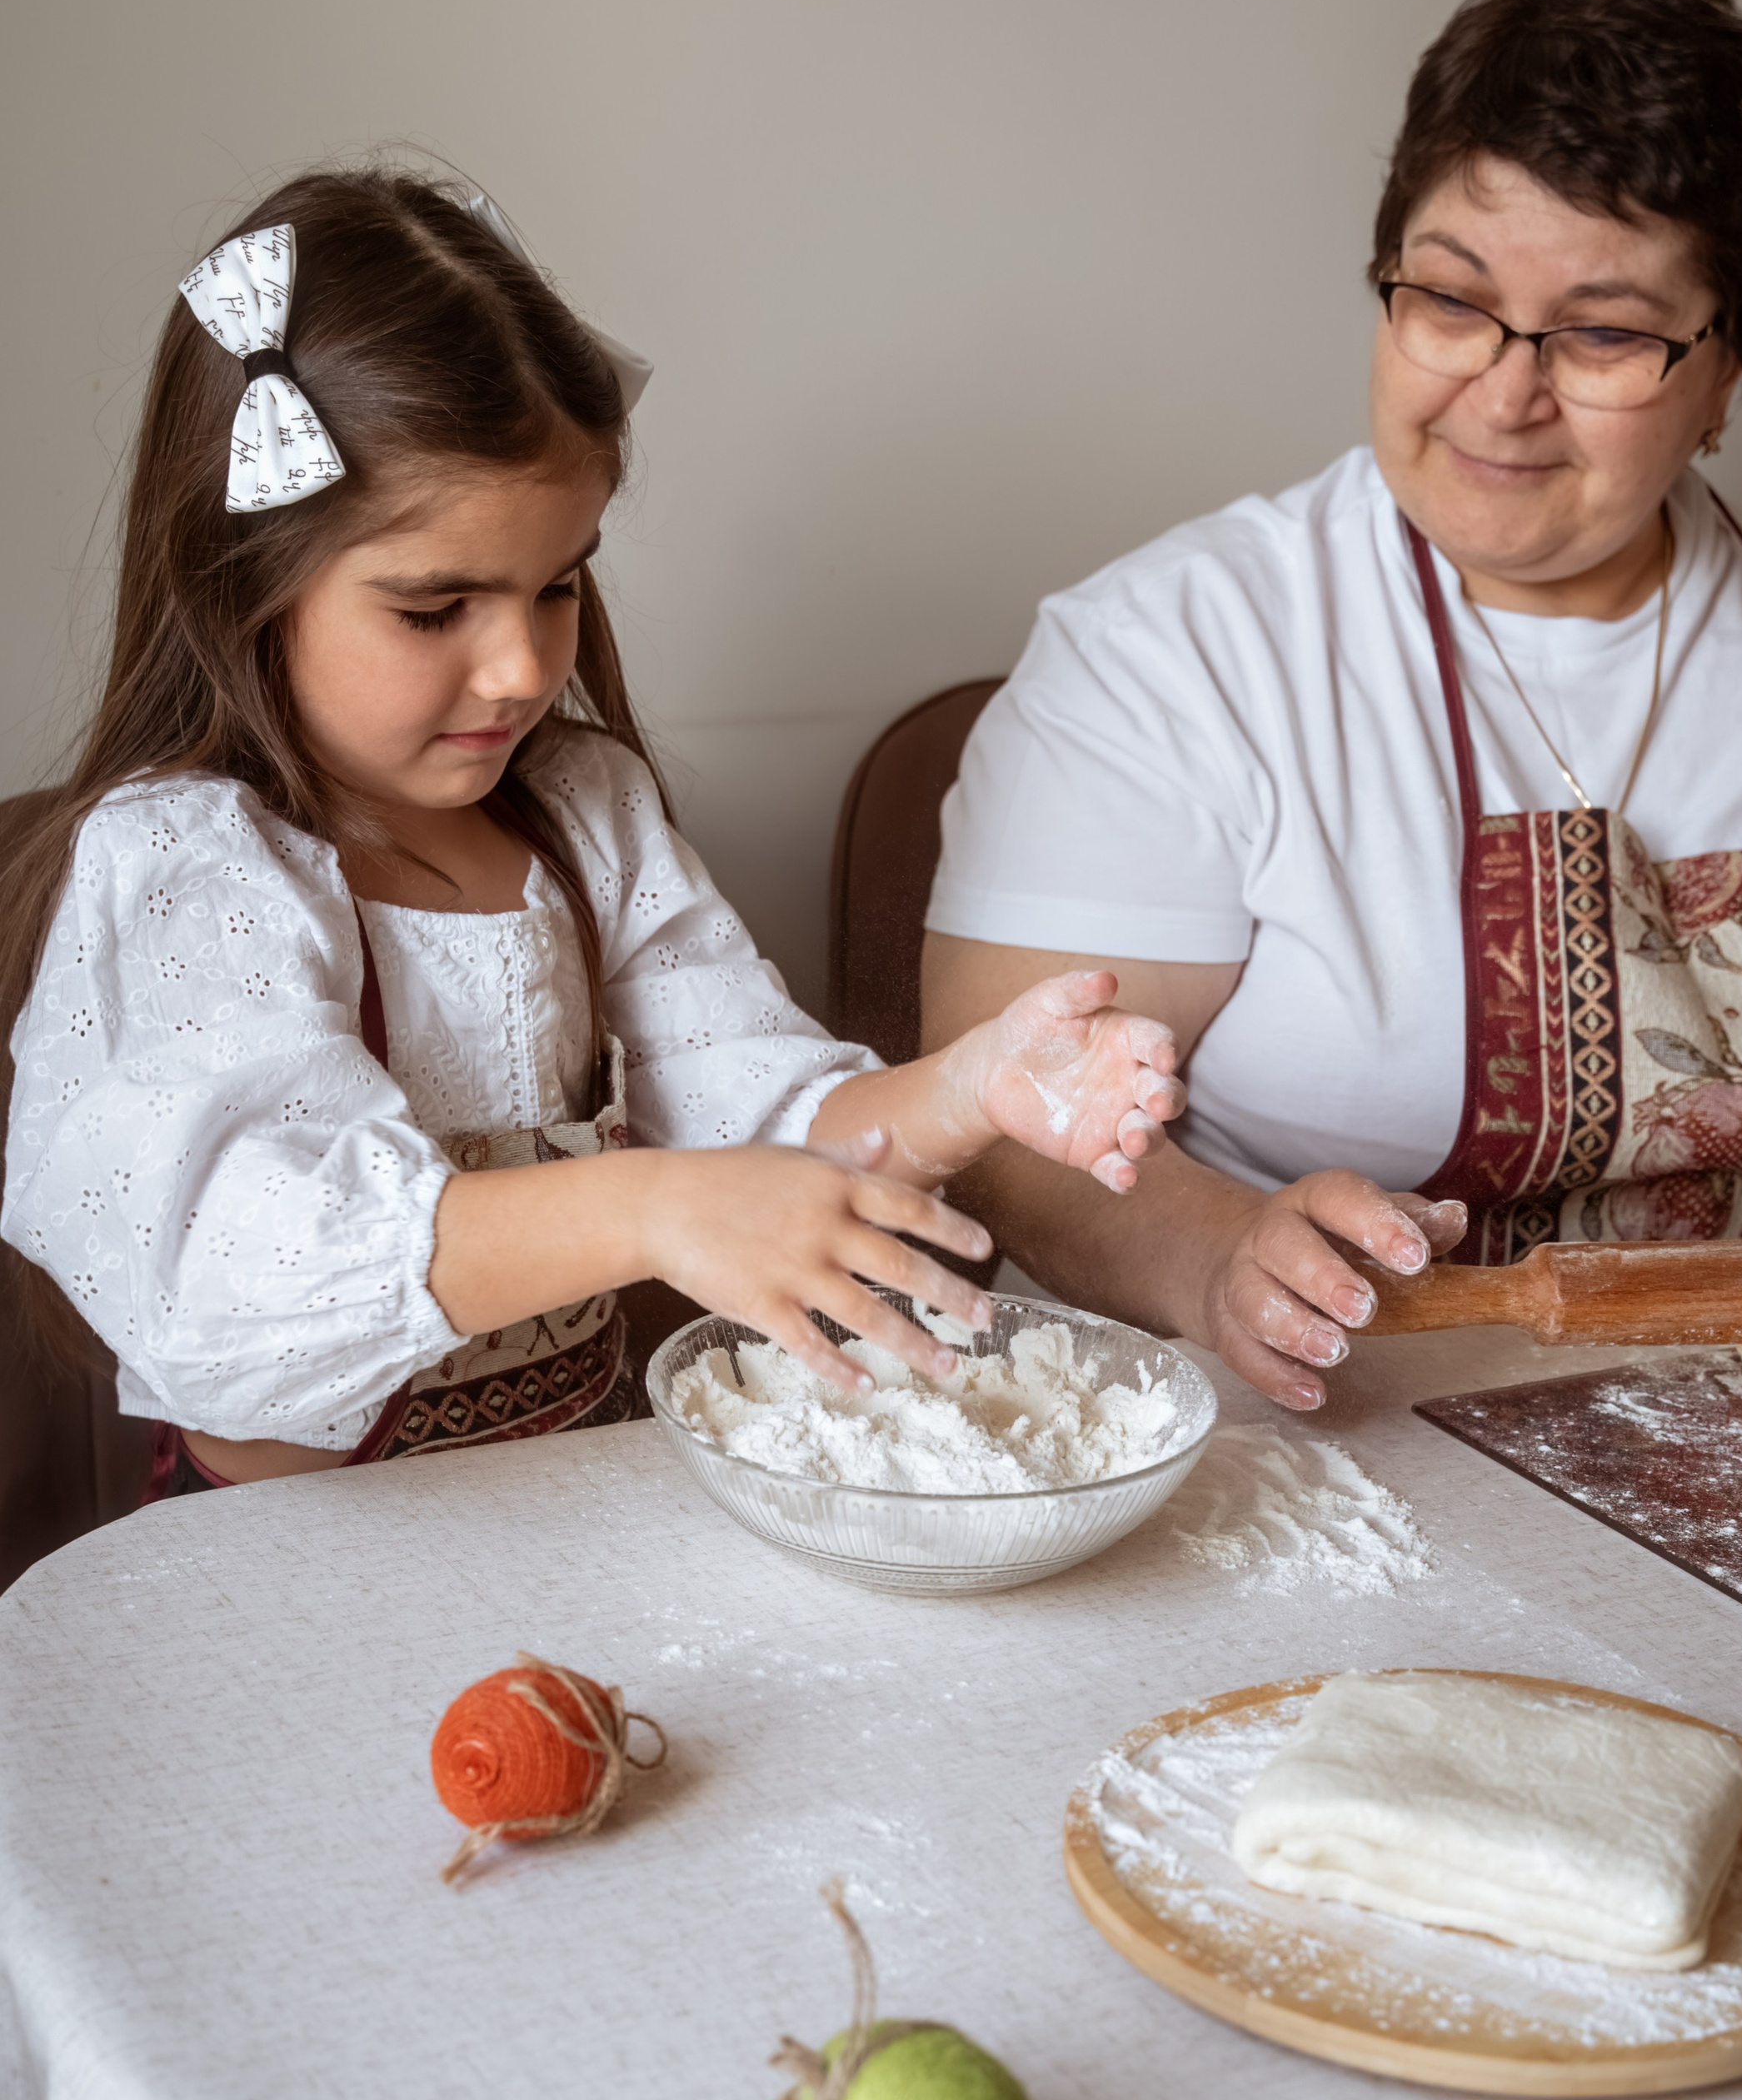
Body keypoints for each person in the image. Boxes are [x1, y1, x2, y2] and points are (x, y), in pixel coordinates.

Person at [921, 0, 1742, 1414]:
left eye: (1602, 335)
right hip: (1350, 1432)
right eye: (1450, 300)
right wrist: (1225, 1255)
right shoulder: (1171, 654)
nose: (1503, 396)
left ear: (1727, 376)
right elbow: (1013, 1129)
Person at [1, 170, 1184, 1491]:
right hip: (295, 1569)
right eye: (434, 606)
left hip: (565, 1519)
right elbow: (233, 1264)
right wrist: (646, 1206)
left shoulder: (584, 813)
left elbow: (758, 1113)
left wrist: (968, 1094)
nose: (519, 667)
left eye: (557, 582)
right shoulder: (192, 869)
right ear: (246, 582)